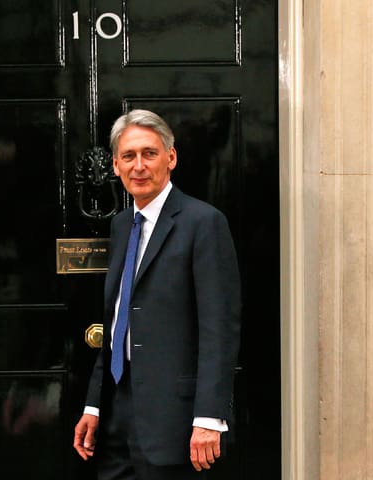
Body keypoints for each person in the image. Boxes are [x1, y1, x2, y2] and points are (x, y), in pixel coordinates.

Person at [73, 109, 241, 480]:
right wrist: (94, 406)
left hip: (176, 420)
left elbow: (219, 329)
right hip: (117, 413)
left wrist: (209, 418)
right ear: (116, 166)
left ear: (171, 157)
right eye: (129, 156)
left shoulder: (203, 223)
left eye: (149, 153)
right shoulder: (121, 225)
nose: (139, 166)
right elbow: (118, 320)